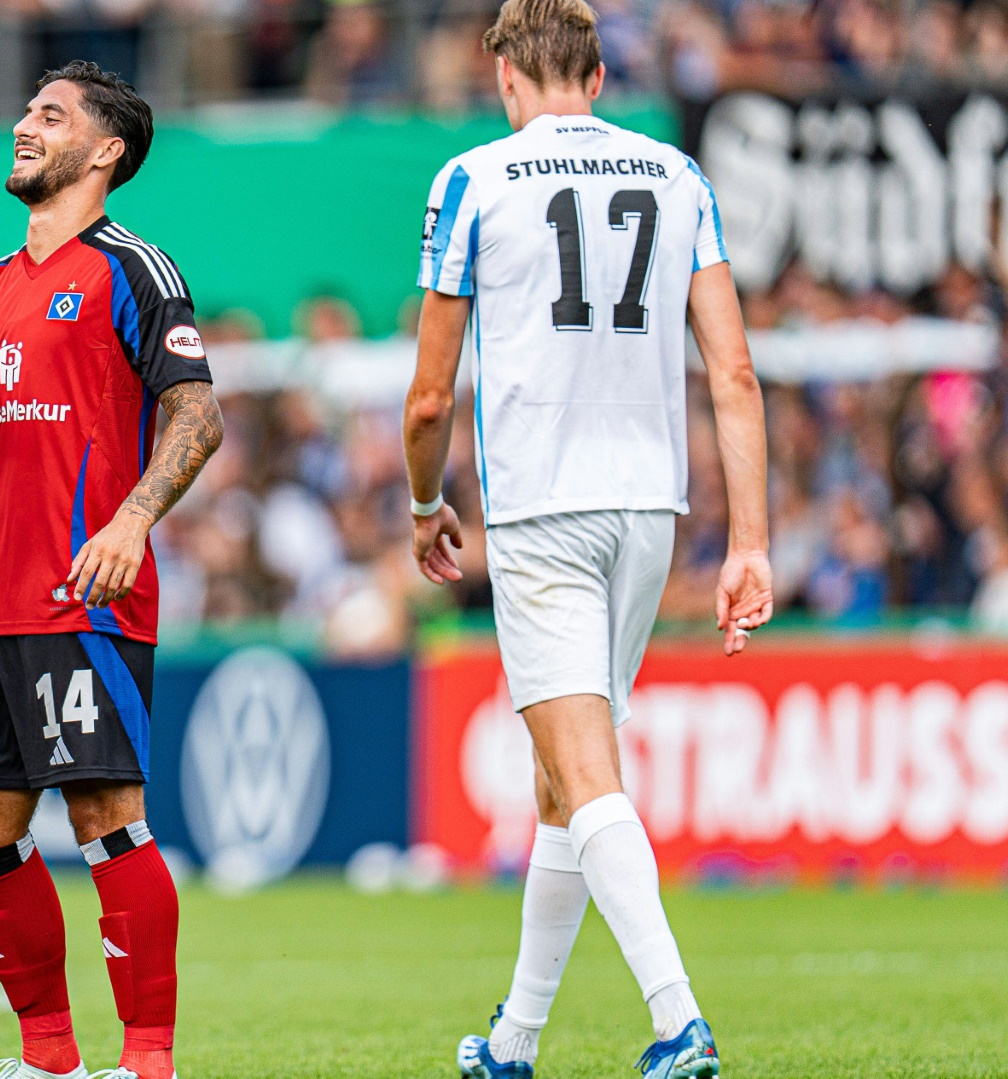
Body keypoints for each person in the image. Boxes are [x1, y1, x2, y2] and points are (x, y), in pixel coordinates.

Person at [401, 3, 772, 1078]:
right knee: (561, 779)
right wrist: (749, 537)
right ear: (601, 76)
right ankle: (514, 1038)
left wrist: (427, 506)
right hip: (649, 510)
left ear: (505, 76)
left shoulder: (472, 179)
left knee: (584, 770)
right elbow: (735, 374)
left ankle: (678, 1018)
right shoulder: (678, 175)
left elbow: (430, 396)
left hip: (542, 508)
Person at [0, 61, 224, 1079]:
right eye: (26, 110)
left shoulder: (133, 267)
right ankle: (48, 1057)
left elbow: (200, 411)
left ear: (105, 152)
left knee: (105, 814)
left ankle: (147, 1062)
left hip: (86, 593)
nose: (22, 125)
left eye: (50, 116)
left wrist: (134, 518)